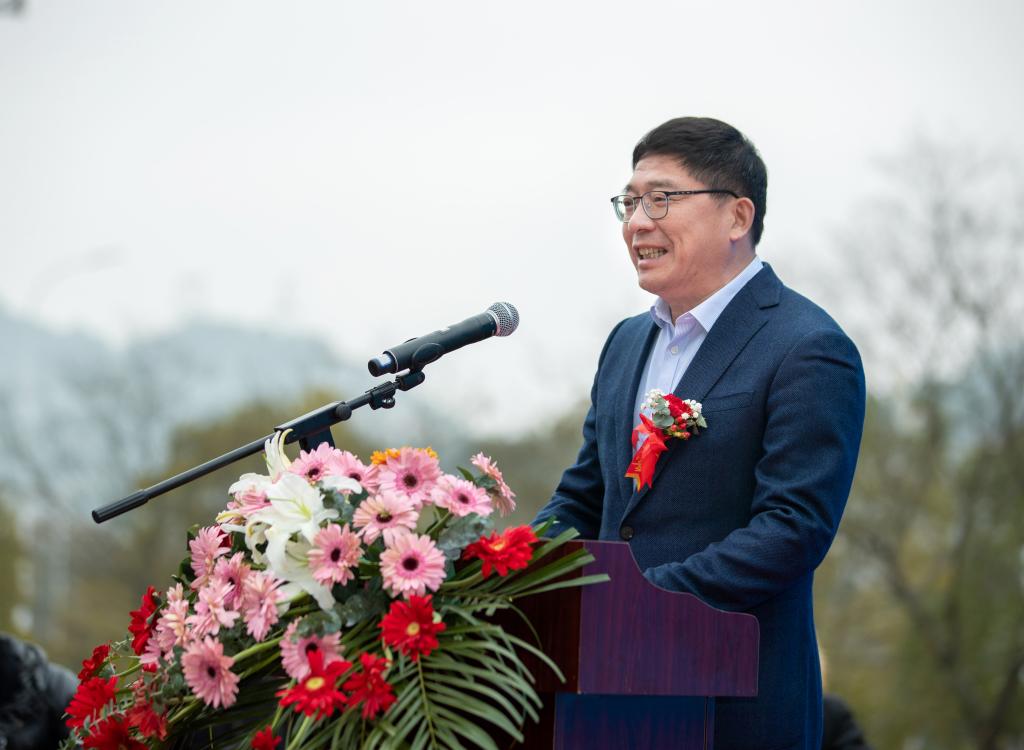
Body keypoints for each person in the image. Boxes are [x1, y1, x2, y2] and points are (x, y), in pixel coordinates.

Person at [535, 117, 866, 750]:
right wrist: (511, 575)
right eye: (629, 202)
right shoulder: (626, 342)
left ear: (738, 216)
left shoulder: (807, 347)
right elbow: (584, 498)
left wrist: (634, 602)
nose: (637, 223)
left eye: (660, 199)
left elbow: (792, 529)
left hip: (734, 706)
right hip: (604, 700)